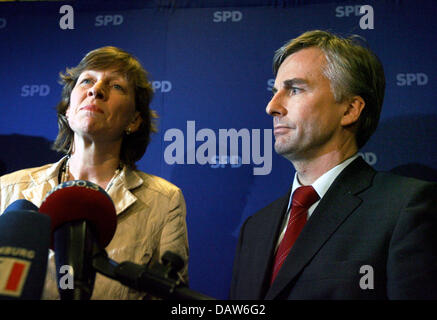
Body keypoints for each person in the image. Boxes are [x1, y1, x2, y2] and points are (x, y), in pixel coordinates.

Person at [230, 30, 437, 300]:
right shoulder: (255, 228)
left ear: (350, 109)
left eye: (294, 89)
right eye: (275, 91)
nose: (272, 107)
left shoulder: (405, 209)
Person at [0, 46, 189, 299]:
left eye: (116, 86)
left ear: (134, 120)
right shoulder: (8, 190)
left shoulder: (164, 201)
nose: (96, 90)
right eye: (87, 80)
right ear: (68, 110)